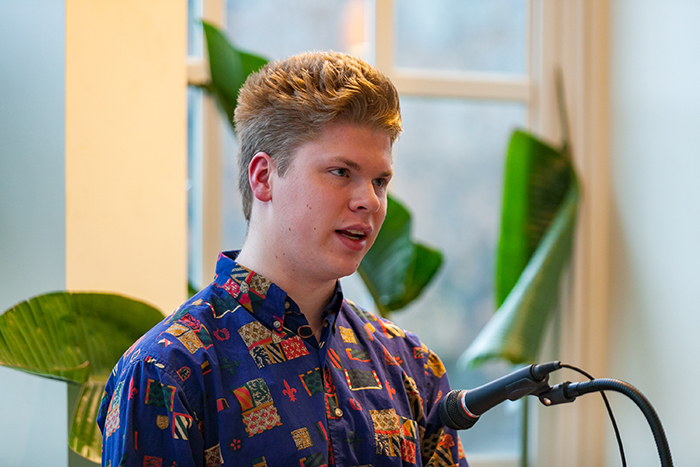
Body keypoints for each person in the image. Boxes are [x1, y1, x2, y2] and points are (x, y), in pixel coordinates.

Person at [98, 51, 468, 467]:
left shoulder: (410, 363)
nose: (369, 201)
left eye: (379, 180)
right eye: (341, 172)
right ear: (263, 177)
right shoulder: (166, 372)